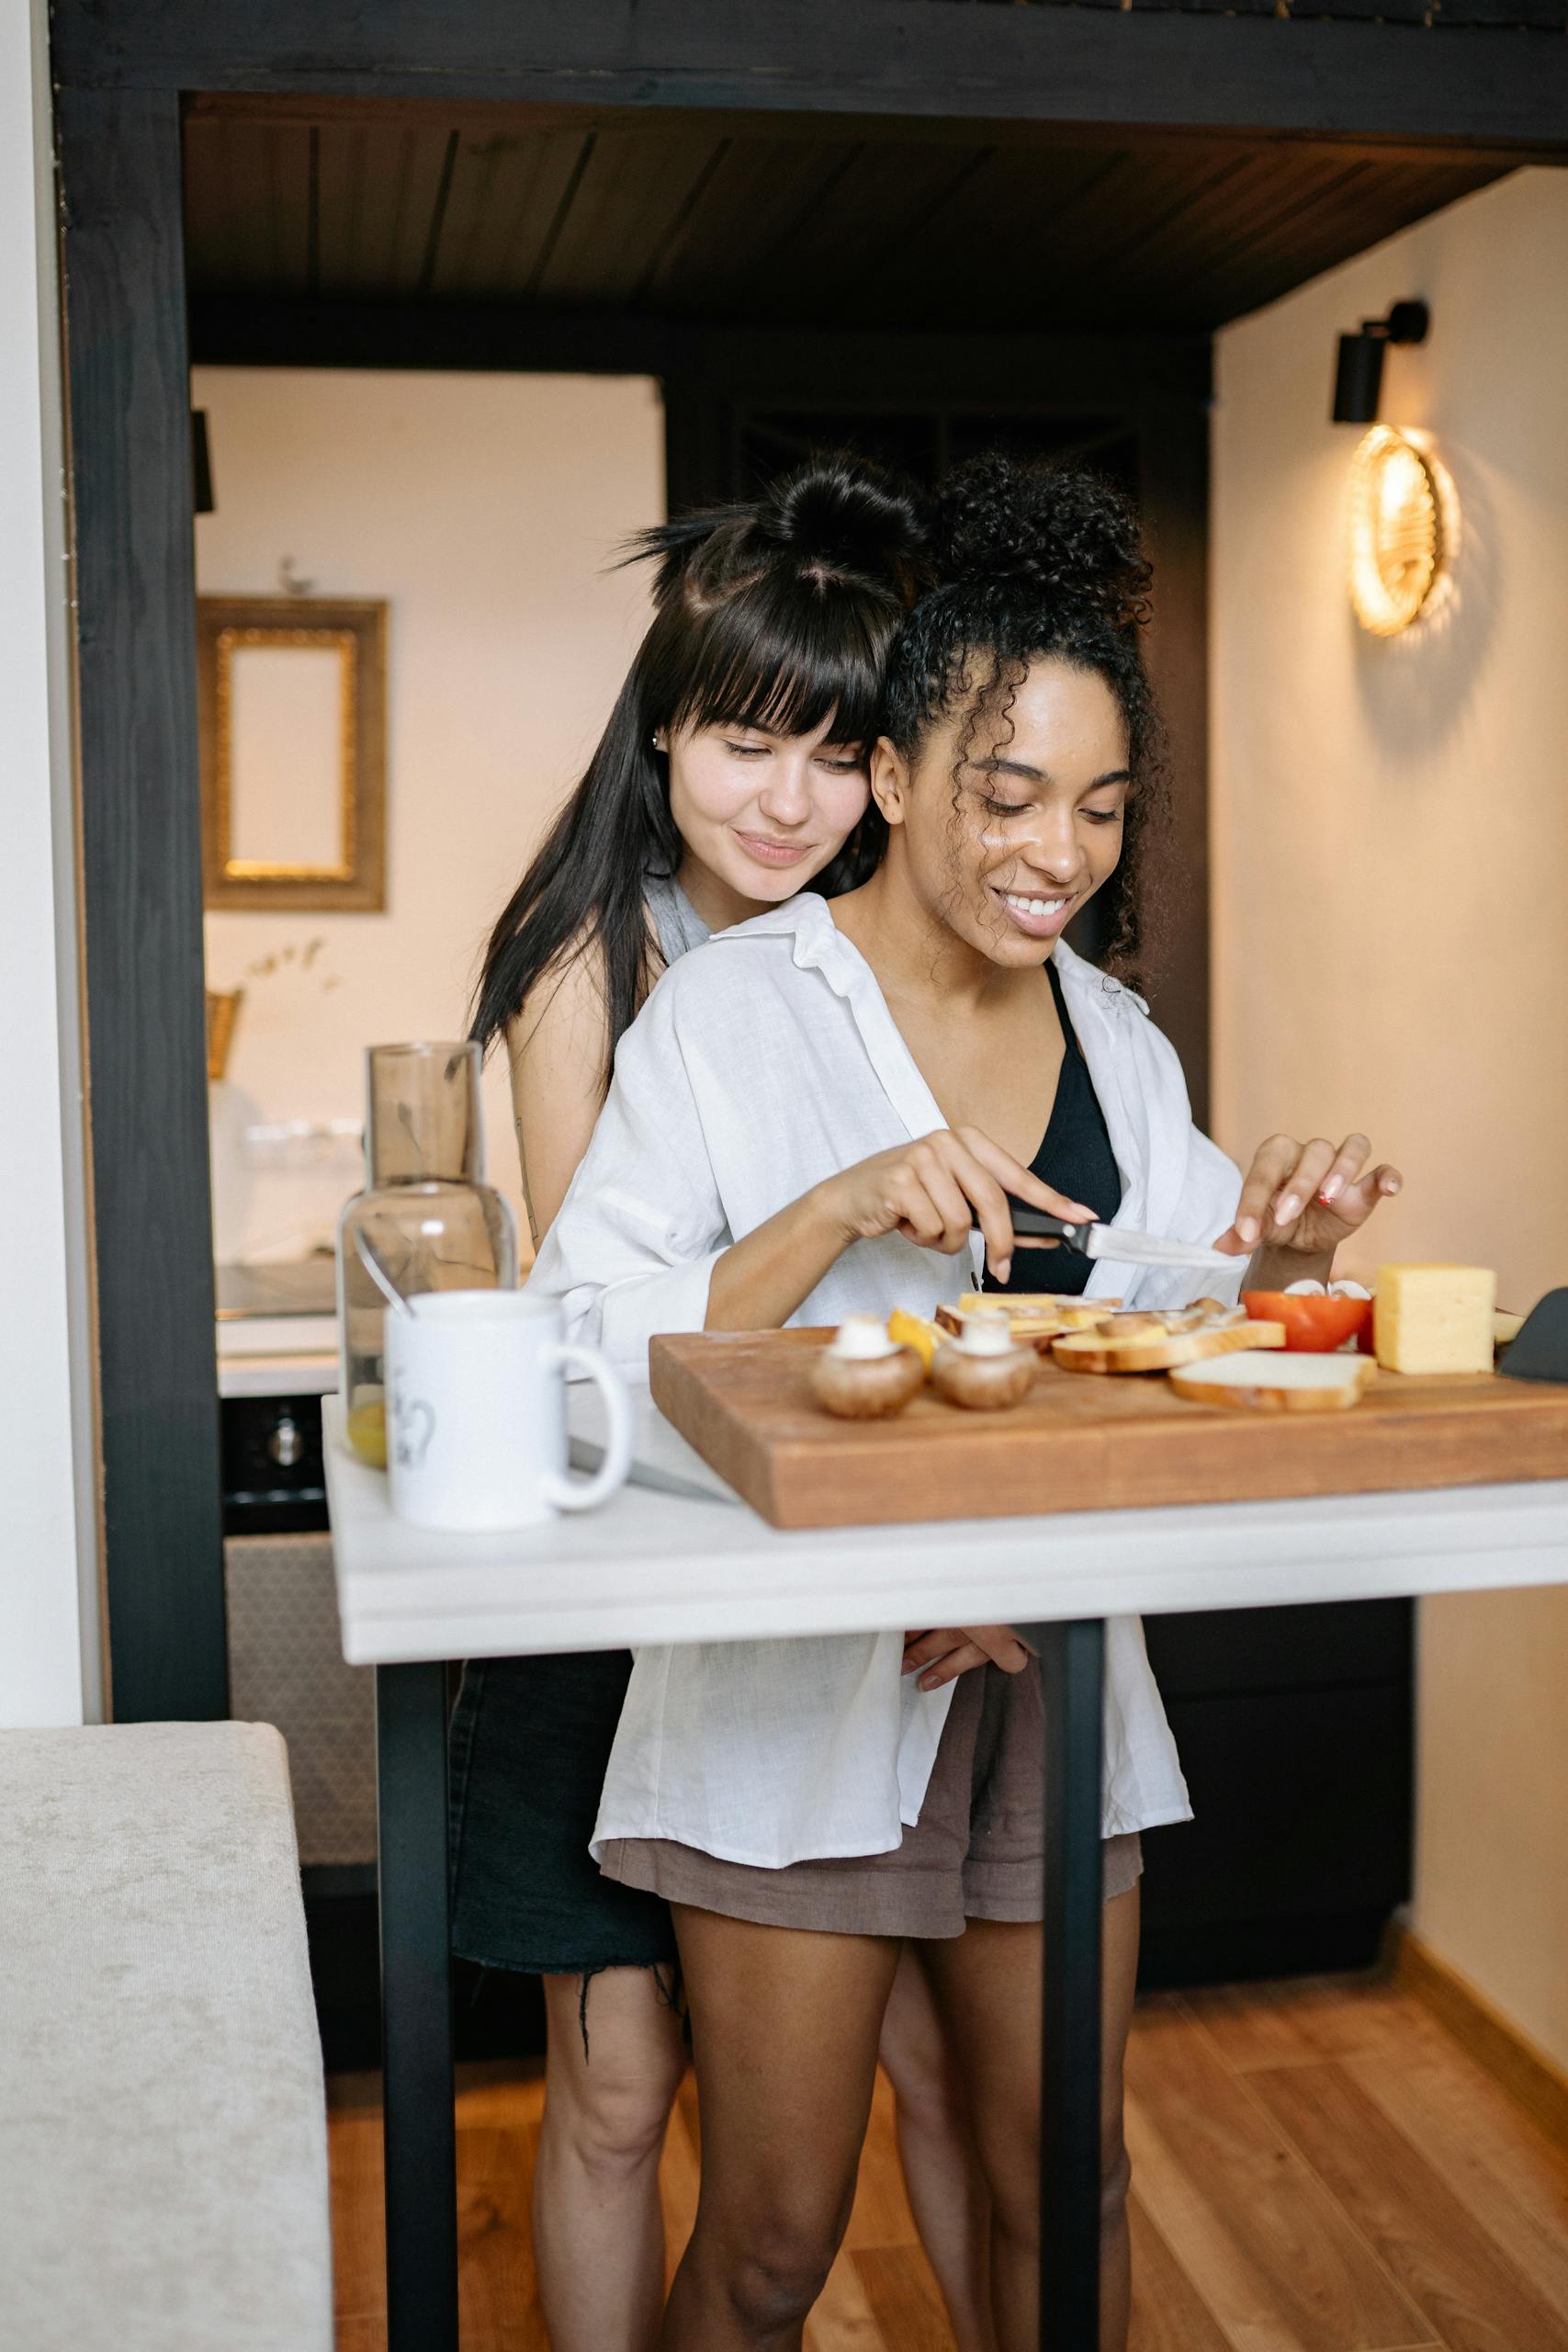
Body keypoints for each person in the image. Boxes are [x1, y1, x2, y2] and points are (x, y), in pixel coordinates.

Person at [528, 450, 1403, 2352]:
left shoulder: (1112, 1030)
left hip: (1049, 1677)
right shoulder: (733, 1013)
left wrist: (1274, 1247)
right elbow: (578, 1343)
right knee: (769, 2243)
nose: (1054, 849)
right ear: (896, 780)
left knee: (1059, 2185)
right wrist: (831, 1199)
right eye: (1005, 794)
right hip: (789, 1686)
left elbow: (1168, 1327)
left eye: (1097, 805)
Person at [452, 455, 1000, 2352]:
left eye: (840, 756)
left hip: (806, 1595)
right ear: (664, 730)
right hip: (613, 1592)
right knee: (613, 2093)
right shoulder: (590, 968)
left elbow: (908, 1311)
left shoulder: (858, 975)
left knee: (921, 2068)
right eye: (746, 743)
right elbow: (594, 1335)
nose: (792, 801)